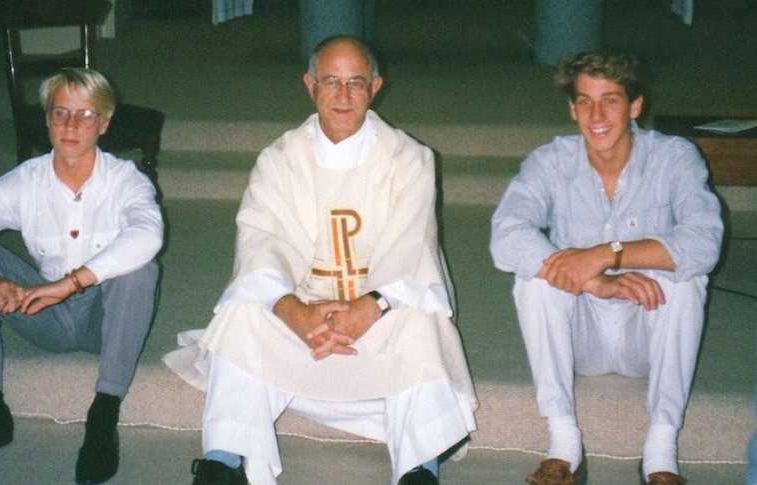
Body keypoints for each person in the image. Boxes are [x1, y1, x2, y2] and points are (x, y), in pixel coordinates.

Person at [163, 35, 477, 485]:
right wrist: (294, 312)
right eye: (331, 82)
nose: (343, 96)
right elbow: (260, 241)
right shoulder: (279, 159)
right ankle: (222, 461)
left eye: (356, 83)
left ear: (376, 87)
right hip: (303, 311)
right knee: (243, 313)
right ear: (310, 85)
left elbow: (412, 251)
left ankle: (418, 468)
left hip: (377, 311)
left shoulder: (410, 159)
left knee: (420, 322)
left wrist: (368, 308)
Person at [490, 50, 723, 485]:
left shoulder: (675, 157)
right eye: (584, 101)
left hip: (648, 329)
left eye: (610, 100)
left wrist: (605, 254)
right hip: (581, 333)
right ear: (572, 108)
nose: (596, 115)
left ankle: (660, 449)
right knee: (535, 281)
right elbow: (506, 237)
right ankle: (562, 444)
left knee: (687, 280)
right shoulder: (549, 162)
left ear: (635, 106)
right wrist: (595, 281)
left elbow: (704, 242)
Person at [0, 68, 163, 485]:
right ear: (47, 119)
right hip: (41, 315)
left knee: (140, 270)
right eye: (60, 113)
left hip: (102, 322)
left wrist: (69, 284)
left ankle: (102, 416)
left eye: (85, 115)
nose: (71, 126)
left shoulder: (126, 180)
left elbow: (148, 235)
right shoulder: (25, 181)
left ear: (104, 123)